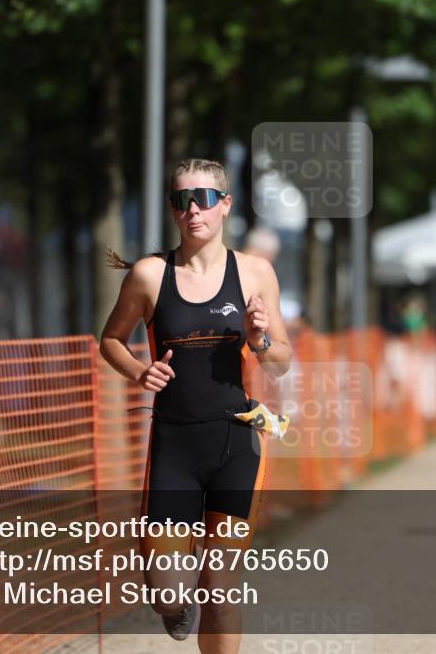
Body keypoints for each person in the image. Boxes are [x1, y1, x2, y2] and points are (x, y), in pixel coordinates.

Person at [100, 158, 292, 652]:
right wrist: (139, 372)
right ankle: (174, 607)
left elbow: (281, 362)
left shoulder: (255, 273)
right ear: (172, 209)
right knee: (167, 591)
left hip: (237, 443)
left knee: (220, 587)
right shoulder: (148, 275)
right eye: (182, 200)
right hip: (174, 448)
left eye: (204, 198)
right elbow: (111, 341)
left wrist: (261, 339)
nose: (193, 210)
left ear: (225, 204)